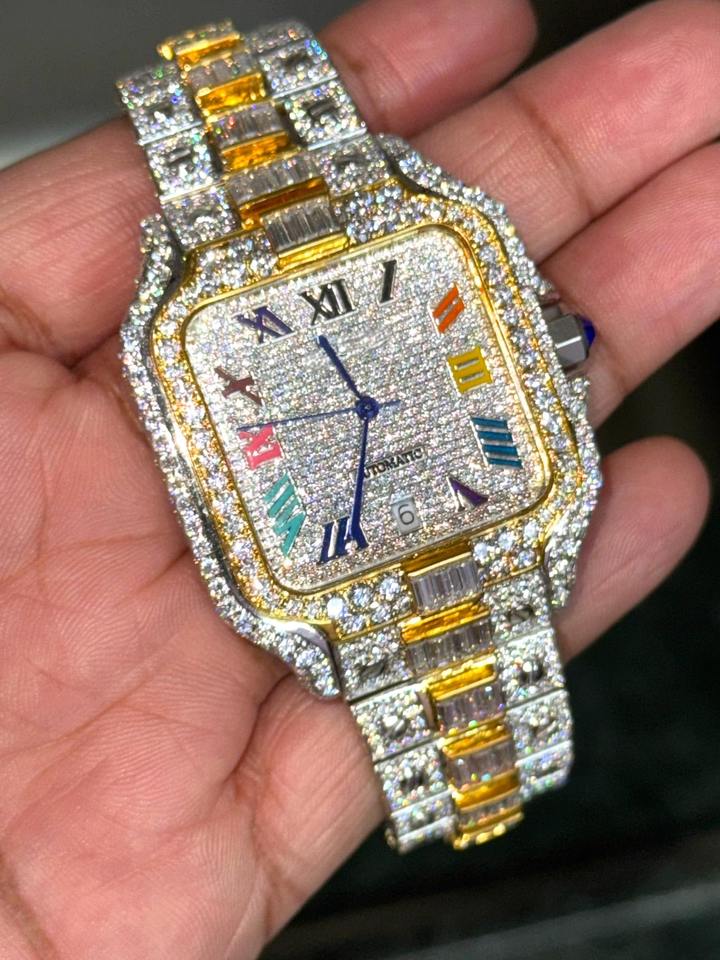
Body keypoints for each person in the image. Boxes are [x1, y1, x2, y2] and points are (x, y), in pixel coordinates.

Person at [0, 0, 716, 955]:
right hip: (382, 567)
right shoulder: (197, 333)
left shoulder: (433, 246)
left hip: (478, 530)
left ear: (544, 342)